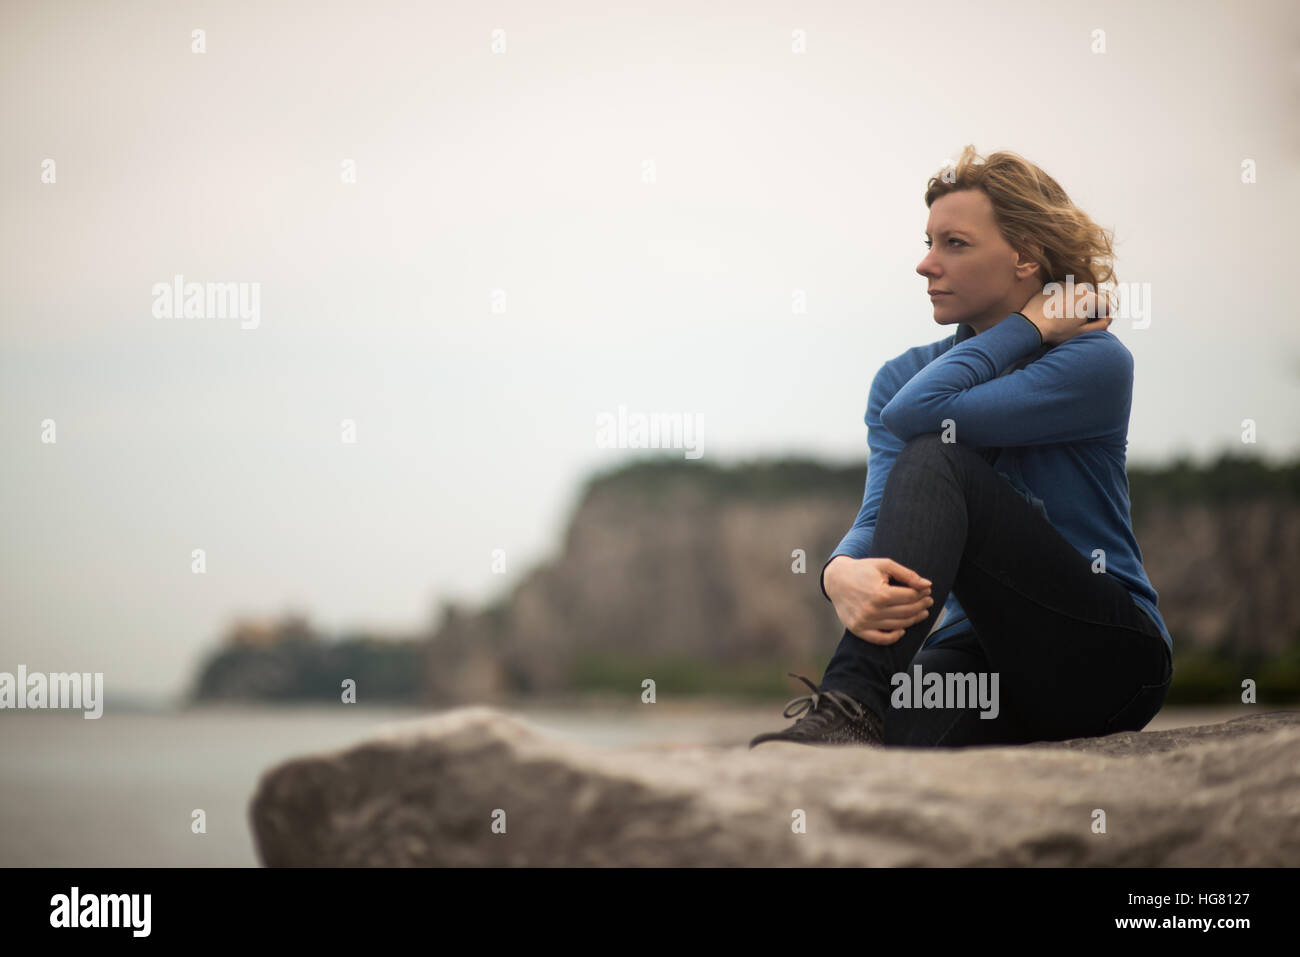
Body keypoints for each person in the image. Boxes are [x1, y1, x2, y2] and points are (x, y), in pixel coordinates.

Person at [750, 145, 1174, 749]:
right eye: (928, 242)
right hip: (977, 661)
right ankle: (853, 713)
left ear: (1025, 255)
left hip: (1102, 659)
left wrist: (1029, 329)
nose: (926, 265)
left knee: (937, 455)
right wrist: (839, 573)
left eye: (954, 243)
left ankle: (850, 704)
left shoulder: (1092, 361)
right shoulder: (904, 376)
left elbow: (923, 417)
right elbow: (880, 515)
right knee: (884, 749)